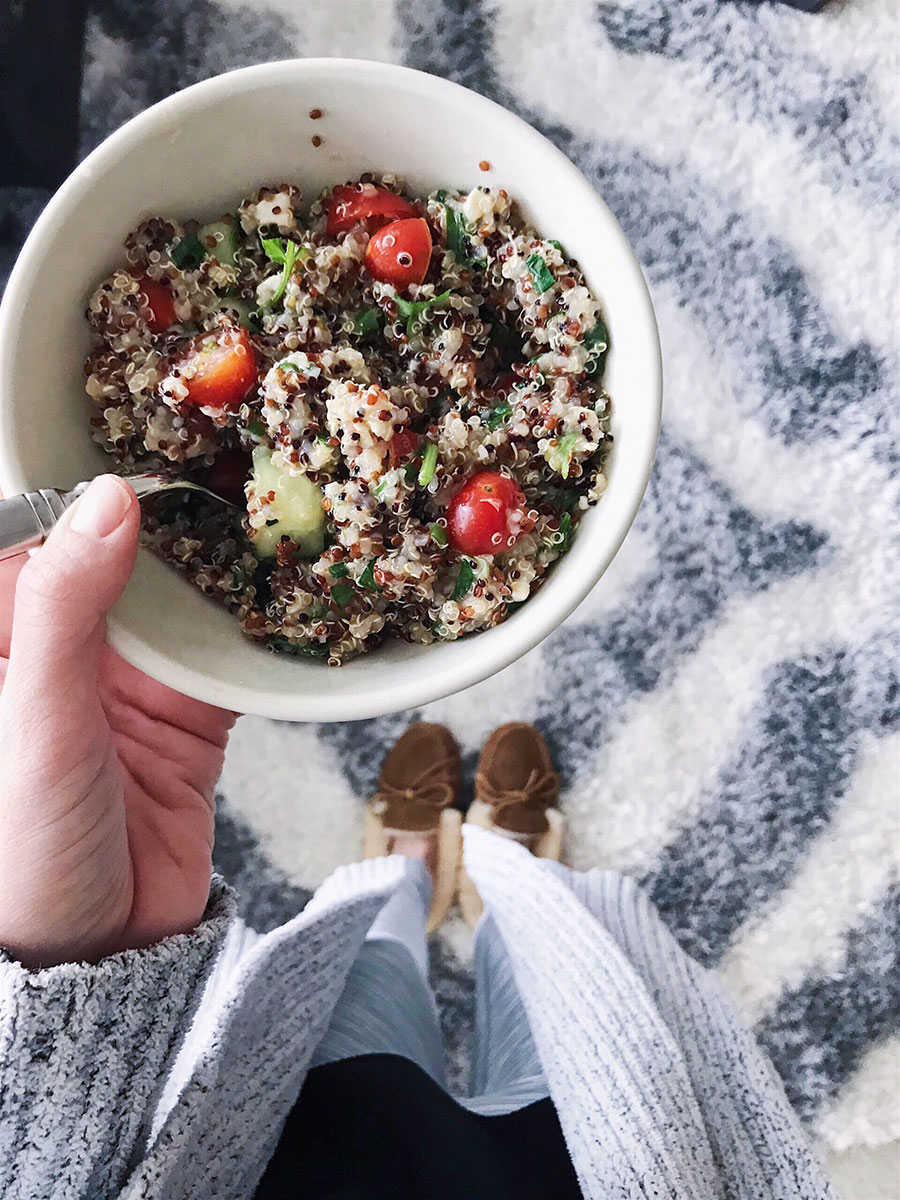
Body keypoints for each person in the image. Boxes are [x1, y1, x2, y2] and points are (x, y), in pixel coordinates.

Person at [0, 475, 837, 1200]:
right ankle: (511, 875)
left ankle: (406, 874)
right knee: (570, 1008)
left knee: (363, 981)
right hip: (594, 1174)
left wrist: (71, 961)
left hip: (308, 1151)